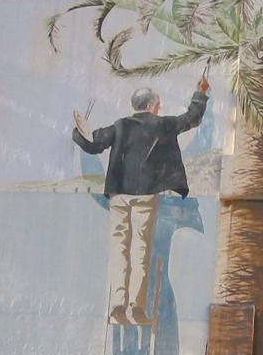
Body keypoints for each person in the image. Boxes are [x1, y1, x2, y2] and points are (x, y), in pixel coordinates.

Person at [73, 74, 210, 325]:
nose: (160, 107)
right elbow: (191, 118)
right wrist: (200, 93)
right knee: (141, 249)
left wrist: (78, 132)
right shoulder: (162, 124)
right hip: (145, 195)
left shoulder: (120, 126)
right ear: (151, 105)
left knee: (120, 247)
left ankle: (117, 302)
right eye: (158, 104)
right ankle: (136, 306)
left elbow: (93, 144)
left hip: (119, 195)